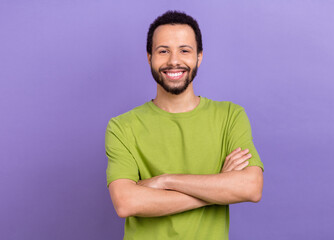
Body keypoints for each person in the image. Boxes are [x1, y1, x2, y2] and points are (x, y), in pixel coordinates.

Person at [105, 10, 264, 240]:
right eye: (163, 51)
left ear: (199, 56)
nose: (174, 61)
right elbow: (126, 202)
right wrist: (218, 187)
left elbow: (251, 187)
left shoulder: (230, 115)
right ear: (149, 57)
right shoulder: (122, 127)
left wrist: (166, 180)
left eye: (184, 50)